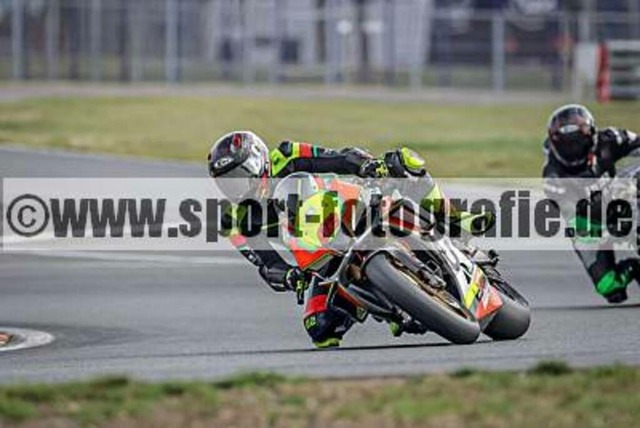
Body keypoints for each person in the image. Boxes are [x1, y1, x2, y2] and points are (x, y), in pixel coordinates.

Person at [208, 130, 492, 347]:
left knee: (404, 161)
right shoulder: (234, 221)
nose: (236, 188)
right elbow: (266, 264)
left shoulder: (286, 154)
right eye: (226, 183)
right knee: (320, 328)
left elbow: (336, 157)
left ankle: (454, 219)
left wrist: (367, 165)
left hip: (353, 206)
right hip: (322, 255)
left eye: (239, 176)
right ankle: (398, 307)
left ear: (257, 160)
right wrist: (290, 277)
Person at [542, 104, 640, 303]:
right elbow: (575, 222)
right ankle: (634, 267)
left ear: (591, 135)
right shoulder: (553, 178)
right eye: (567, 145)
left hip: (626, 192)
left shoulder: (611, 138)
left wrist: (630, 177)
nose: (573, 149)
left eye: (577, 142)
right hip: (591, 219)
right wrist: (602, 222)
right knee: (609, 287)